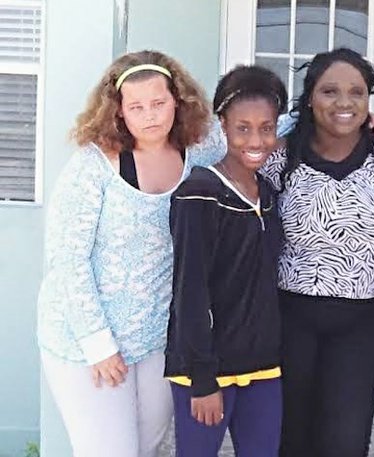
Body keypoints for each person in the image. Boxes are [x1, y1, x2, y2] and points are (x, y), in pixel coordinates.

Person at [36, 50, 223, 457]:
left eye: (159, 103)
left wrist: (346, 121)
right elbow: (67, 259)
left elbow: (253, 130)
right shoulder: (94, 167)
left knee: (147, 448)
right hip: (86, 337)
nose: (150, 115)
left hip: (157, 338)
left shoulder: (201, 151)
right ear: (119, 111)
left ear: (178, 100)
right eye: (136, 107)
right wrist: (97, 344)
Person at [260, 47, 374, 457]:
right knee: (291, 439)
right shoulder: (279, 159)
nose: (344, 103)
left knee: (345, 442)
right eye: (330, 91)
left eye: (357, 92)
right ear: (310, 97)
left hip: (362, 324)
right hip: (291, 318)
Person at [165, 65, 287, 457]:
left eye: (266, 128)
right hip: (207, 370)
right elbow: (190, 290)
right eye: (243, 128)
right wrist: (203, 379)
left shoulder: (267, 194)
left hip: (263, 366)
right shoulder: (199, 193)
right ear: (223, 125)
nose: (256, 140)